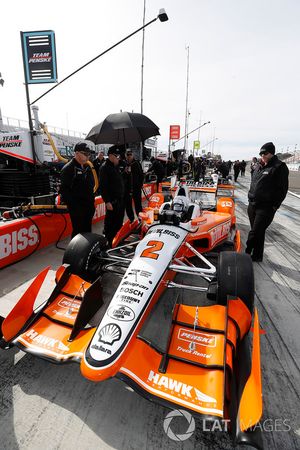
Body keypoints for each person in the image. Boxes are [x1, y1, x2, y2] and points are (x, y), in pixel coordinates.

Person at [245, 142, 289, 262]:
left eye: (265, 153)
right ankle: (257, 256)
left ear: (272, 153)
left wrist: (275, 206)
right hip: (252, 204)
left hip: (266, 207)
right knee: (259, 232)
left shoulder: (279, 167)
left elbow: (283, 189)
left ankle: (246, 253)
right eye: (261, 153)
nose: (262, 155)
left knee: (254, 232)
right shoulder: (258, 166)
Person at [60, 142, 95, 238]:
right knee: (78, 233)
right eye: (86, 154)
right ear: (77, 153)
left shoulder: (87, 167)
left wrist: (91, 204)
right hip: (78, 210)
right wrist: (76, 209)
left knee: (87, 232)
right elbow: (64, 192)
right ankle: (75, 252)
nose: (88, 157)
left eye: (89, 154)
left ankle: (87, 251)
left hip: (88, 207)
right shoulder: (68, 169)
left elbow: (90, 186)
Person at [98, 146, 125, 247]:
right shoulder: (104, 168)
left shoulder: (116, 166)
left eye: (119, 156)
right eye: (116, 156)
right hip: (112, 201)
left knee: (119, 222)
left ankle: (116, 240)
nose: (118, 158)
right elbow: (103, 186)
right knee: (110, 223)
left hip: (120, 200)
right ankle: (108, 243)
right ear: (110, 155)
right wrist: (107, 201)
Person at [123, 149, 144, 222]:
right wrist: (125, 172)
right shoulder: (124, 164)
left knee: (138, 205)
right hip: (127, 189)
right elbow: (121, 177)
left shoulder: (137, 163)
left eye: (130, 155)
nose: (129, 156)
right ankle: (131, 219)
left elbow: (141, 175)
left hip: (136, 189)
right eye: (127, 155)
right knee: (128, 206)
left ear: (132, 155)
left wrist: (139, 185)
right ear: (125, 155)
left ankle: (141, 219)